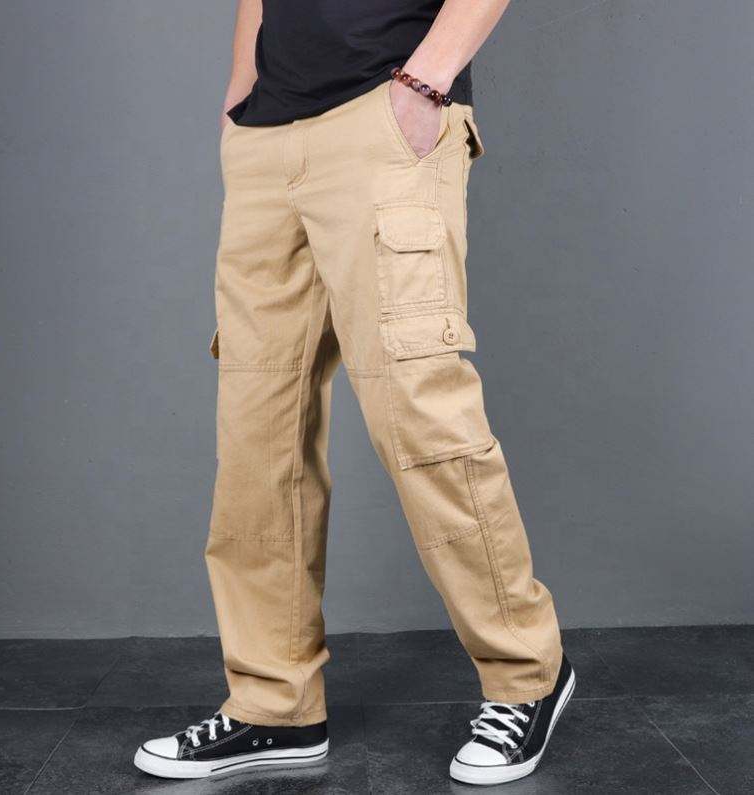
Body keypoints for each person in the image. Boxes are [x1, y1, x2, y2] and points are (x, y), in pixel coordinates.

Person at [134, 0, 574, 786]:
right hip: (268, 134)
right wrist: (241, 96)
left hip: (384, 113)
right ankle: (275, 703)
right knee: (257, 434)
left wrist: (424, 82)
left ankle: (525, 674)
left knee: (419, 409)